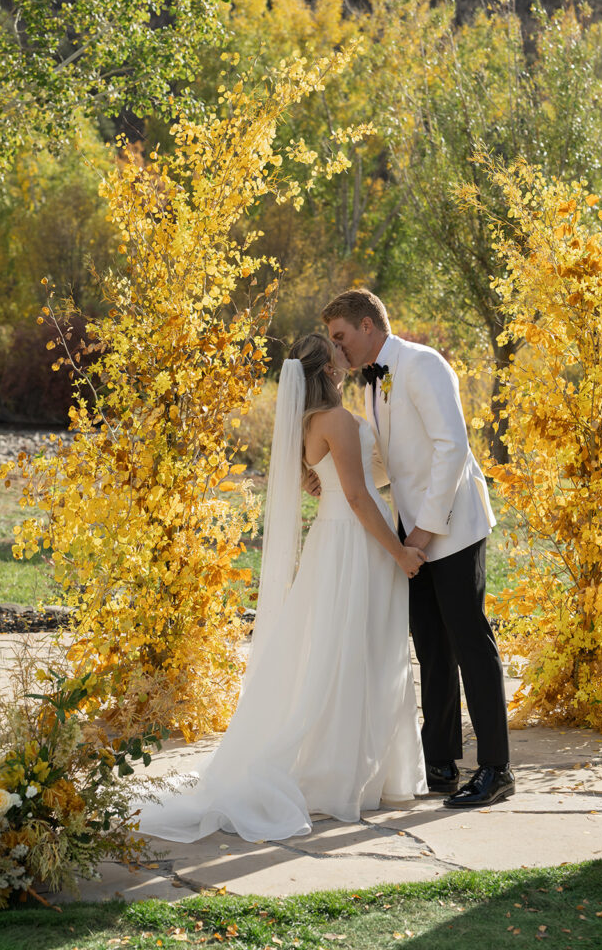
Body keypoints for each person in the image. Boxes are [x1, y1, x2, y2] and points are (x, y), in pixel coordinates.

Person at [136, 334, 427, 844]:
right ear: (329, 370)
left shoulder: (310, 424)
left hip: (336, 540)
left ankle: (352, 770)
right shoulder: (334, 420)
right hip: (356, 541)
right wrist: (399, 552)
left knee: (344, 650)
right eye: (338, 349)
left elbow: (336, 483)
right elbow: (358, 498)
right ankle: (347, 777)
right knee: (360, 651)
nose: (346, 352)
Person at [321, 289, 514, 809]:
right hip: (415, 531)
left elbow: (453, 447)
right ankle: (442, 762)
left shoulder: (423, 364)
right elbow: (391, 460)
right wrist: (341, 479)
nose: (337, 350)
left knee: (470, 640)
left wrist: (424, 531)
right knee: (431, 646)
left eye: (341, 337)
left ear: (367, 325)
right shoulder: (372, 385)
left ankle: (496, 768)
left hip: (452, 526)